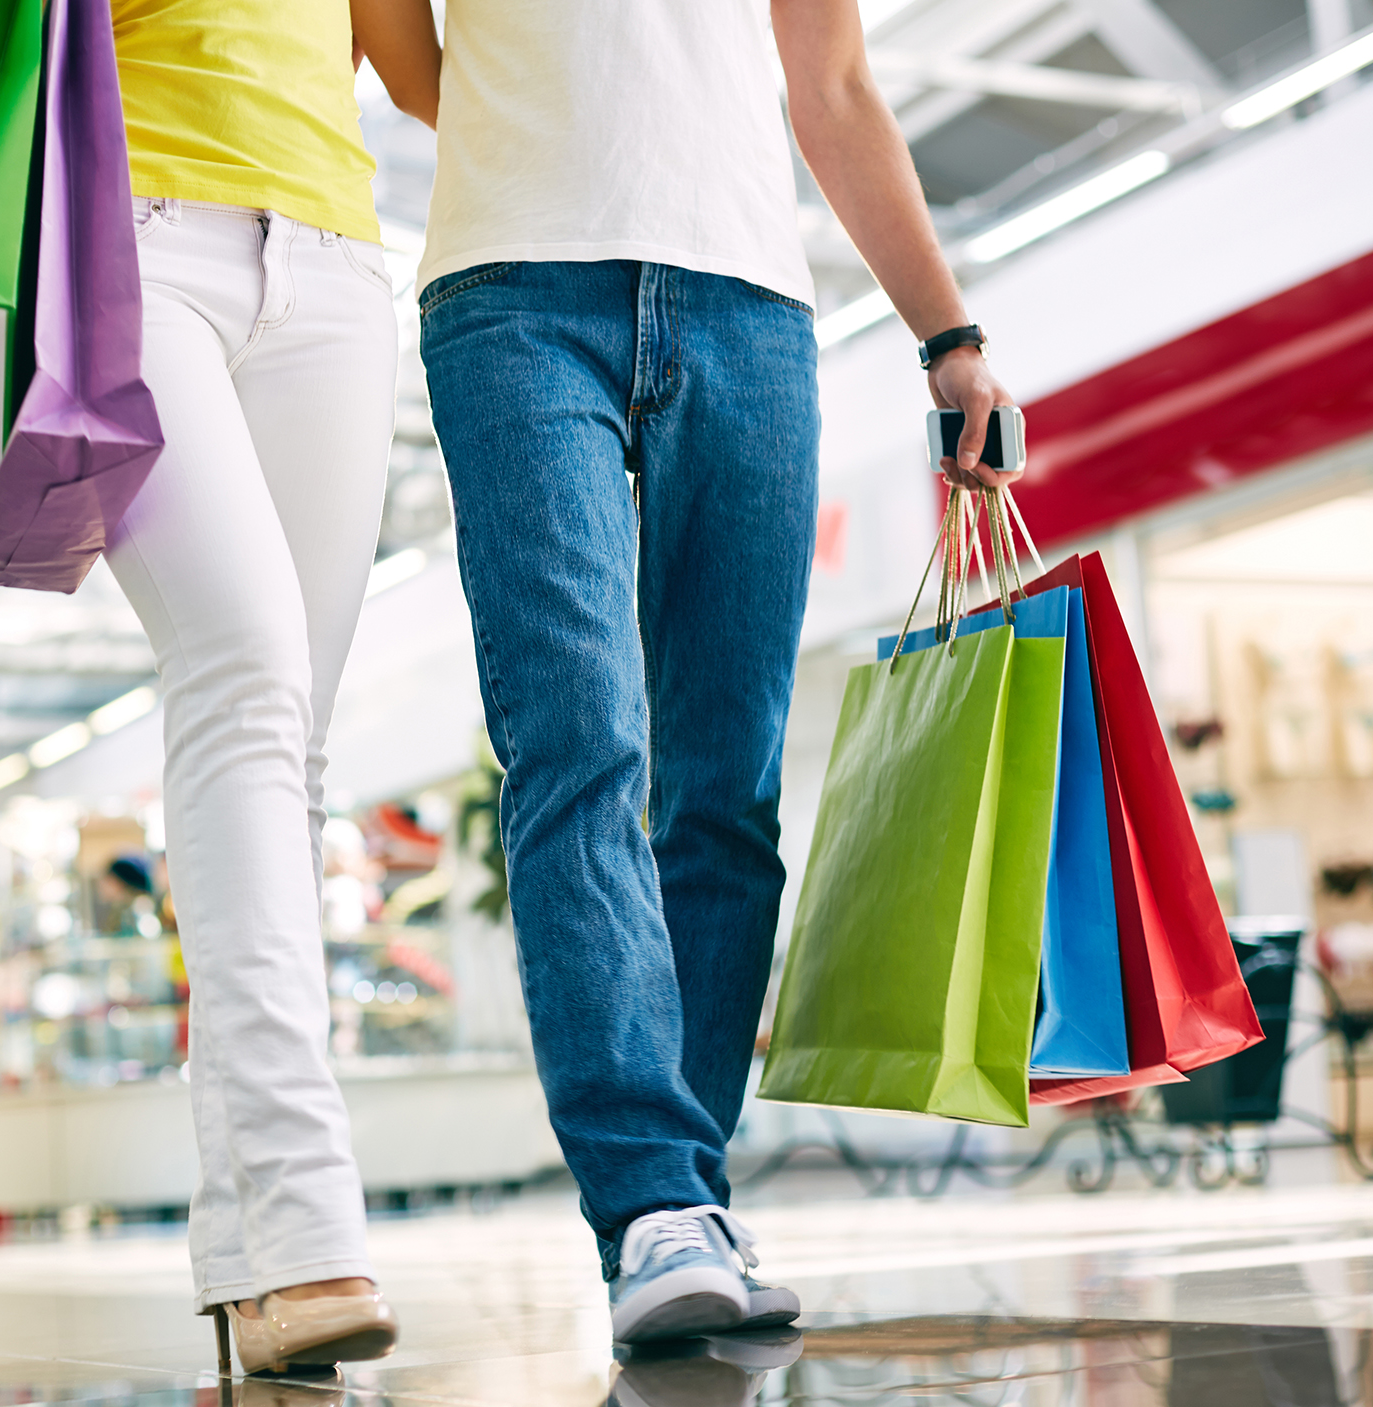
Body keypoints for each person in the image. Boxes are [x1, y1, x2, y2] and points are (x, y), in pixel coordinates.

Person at [390, 0, 1026, 1344]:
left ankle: (689, 1197)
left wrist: (946, 337)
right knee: (580, 744)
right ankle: (649, 1206)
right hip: (514, 293)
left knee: (727, 786)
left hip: (749, 308)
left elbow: (834, 84)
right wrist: (563, 142)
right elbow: (408, 67)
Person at [100, 0, 439, 1377]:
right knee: (241, 673)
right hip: (126, 233)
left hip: (334, 257)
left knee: (287, 740)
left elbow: (415, 74)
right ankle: (305, 1231)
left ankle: (251, 1253)